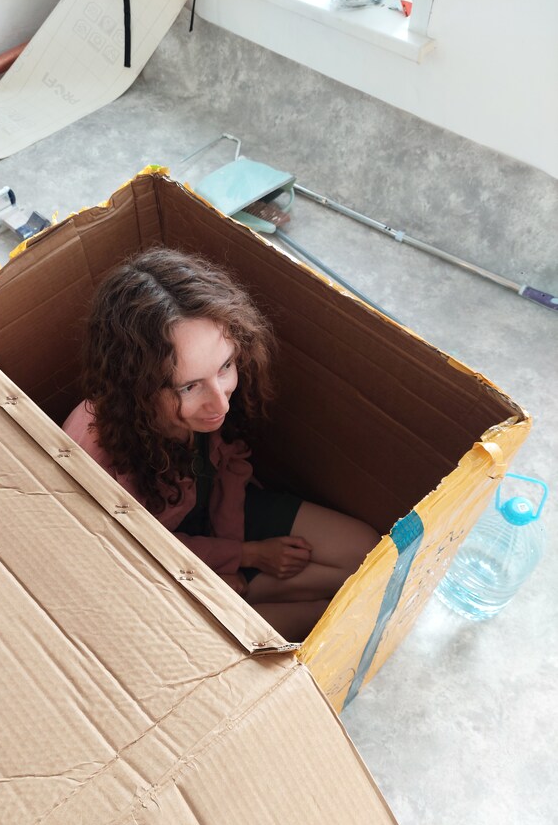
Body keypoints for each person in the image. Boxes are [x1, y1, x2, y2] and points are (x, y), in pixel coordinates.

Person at [63, 247, 379, 641]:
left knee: (366, 555)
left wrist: (235, 557)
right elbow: (132, 559)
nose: (221, 404)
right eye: (189, 386)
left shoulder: (211, 405)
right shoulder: (92, 444)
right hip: (162, 568)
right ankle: (237, 604)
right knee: (318, 618)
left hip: (216, 513)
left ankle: (241, 597)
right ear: (135, 387)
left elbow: (223, 472)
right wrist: (246, 557)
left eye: (225, 366)